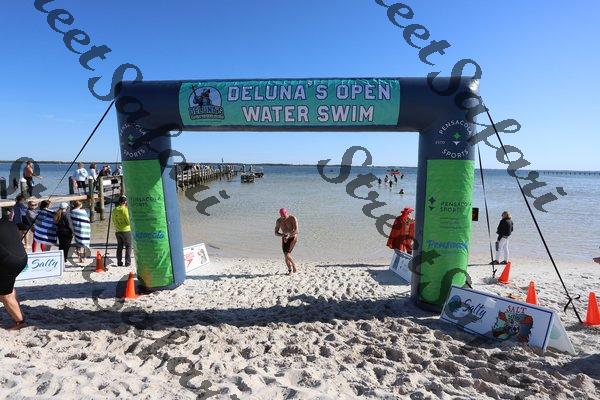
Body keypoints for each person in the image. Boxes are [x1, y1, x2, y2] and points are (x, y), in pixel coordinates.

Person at [0, 219, 28, 330]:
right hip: (22, 258)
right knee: (7, 286)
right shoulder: (7, 222)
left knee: (5, 295)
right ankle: (20, 315)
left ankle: (20, 322)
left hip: (8, 262)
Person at [274, 208, 299, 274]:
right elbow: (276, 233)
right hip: (285, 237)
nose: (283, 218)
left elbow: (296, 231)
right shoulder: (279, 221)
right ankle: (290, 270)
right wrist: (283, 235)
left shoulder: (293, 218)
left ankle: (294, 265)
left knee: (286, 254)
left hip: (293, 237)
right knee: (286, 255)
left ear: (287, 213)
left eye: (284, 216)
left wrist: (289, 235)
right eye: (282, 216)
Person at [112, 196, 132, 267]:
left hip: (118, 231)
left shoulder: (114, 210)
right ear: (125, 202)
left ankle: (119, 262)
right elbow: (128, 221)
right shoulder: (125, 210)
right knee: (128, 246)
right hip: (126, 230)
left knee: (119, 247)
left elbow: (113, 220)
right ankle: (127, 262)